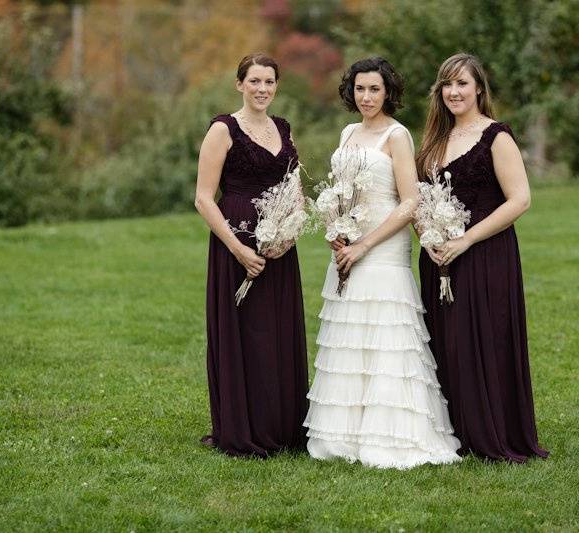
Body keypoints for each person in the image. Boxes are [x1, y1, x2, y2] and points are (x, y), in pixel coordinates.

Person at [303, 57, 461, 469]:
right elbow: (342, 192)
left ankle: (392, 437)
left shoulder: (397, 135)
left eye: (374, 89)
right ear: (350, 92)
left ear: (388, 91)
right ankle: (345, 435)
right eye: (360, 89)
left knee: (386, 337)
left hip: (383, 249)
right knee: (351, 337)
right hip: (348, 247)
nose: (367, 97)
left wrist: (365, 245)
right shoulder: (348, 131)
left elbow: (410, 202)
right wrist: (336, 231)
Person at [416, 53, 548, 463]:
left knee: (483, 339)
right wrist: (428, 236)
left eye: (462, 84)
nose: (454, 92)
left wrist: (466, 240)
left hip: (485, 253)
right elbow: (418, 200)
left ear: (478, 89)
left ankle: (491, 431)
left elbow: (520, 199)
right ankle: (454, 429)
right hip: (438, 257)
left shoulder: (497, 136)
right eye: (447, 85)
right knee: (447, 342)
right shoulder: (433, 141)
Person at [194, 53, 308, 456]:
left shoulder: (282, 127)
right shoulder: (223, 129)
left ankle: (282, 427)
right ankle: (245, 428)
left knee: (277, 332)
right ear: (240, 84)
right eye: (255, 81)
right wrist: (239, 249)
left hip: (280, 246)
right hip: (236, 242)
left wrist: (292, 227)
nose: (262, 89)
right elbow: (204, 199)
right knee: (247, 334)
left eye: (270, 82)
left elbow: (294, 183)